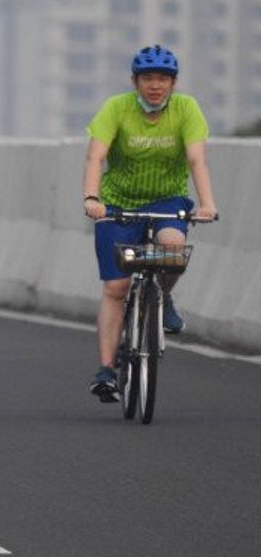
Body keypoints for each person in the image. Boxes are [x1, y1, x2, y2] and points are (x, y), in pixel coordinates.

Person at [82, 45, 218, 402]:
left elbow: (196, 159)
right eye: (147, 78)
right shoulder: (116, 108)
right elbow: (95, 156)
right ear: (135, 81)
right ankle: (107, 370)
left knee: (173, 246)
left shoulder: (187, 109)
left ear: (173, 83)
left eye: (163, 79)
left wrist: (207, 203)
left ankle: (164, 297)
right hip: (117, 203)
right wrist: (92, 199)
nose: (155, 86)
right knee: (116, 287)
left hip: (166, 199)